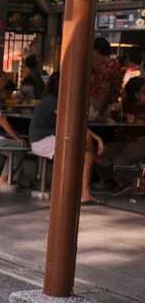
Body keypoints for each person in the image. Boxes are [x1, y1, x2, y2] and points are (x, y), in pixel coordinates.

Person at [28, 72, 105, 205]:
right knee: (83, 145)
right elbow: (72, 123)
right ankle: (72, 190)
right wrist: (98, 138)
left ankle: (84, 190)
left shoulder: (55, 99)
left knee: (86, 146)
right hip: (41, 141)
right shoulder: (53, 100)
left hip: (49, 138)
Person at [89, 37, 124, 115]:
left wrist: (95, 112)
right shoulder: (115, 64)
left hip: (100, 108)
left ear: (95, 51)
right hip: (112, 107)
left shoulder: (103, 68)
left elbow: (104, 90)